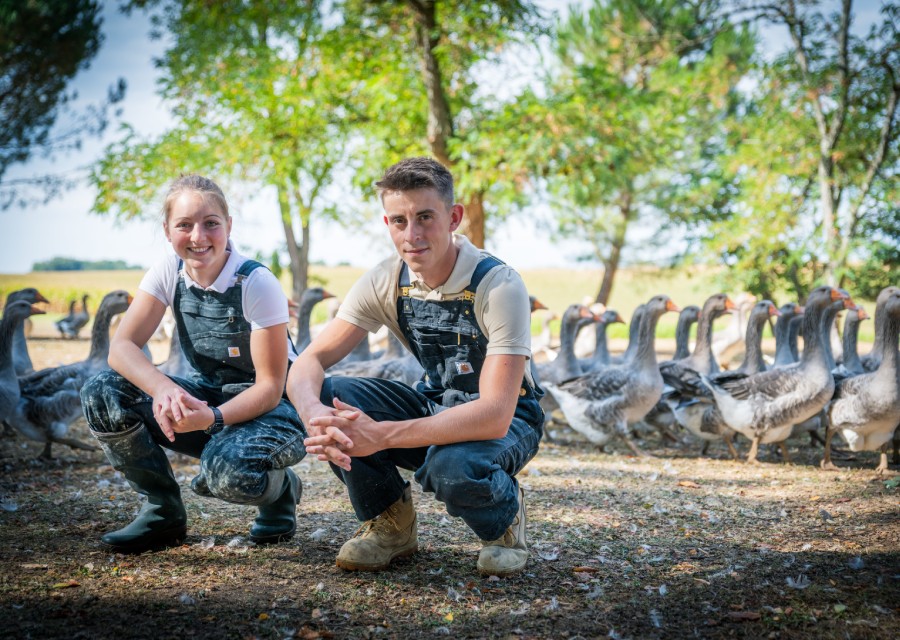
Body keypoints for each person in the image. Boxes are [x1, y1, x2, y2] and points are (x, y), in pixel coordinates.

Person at [287, 157, 543, 576]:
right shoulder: (385, 280)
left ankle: (504, 521)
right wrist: (315, 415)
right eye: (399, 221)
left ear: (454, 217)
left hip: (510, 417)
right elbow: (310, 360)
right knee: (336, 396)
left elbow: (496, 415)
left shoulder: (499, 285)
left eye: (425, 217)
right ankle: (390, 524)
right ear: (387, 222)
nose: (412, 235)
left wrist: (381, 435)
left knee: (453, 468)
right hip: (434, 403)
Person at [80, 175, 306, 553]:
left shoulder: (256, 282)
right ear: (168, 231)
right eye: (184, 224)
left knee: (226, 477)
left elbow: (269, 387)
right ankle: (161, 510)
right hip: (208, 398)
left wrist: (213, 419)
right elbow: (121, 348)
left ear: (228, 226)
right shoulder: (168, 270)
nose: (198, 236)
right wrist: (165, 390)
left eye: (211, 223)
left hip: (273, 410)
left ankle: (280, 488)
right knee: (103, 392)